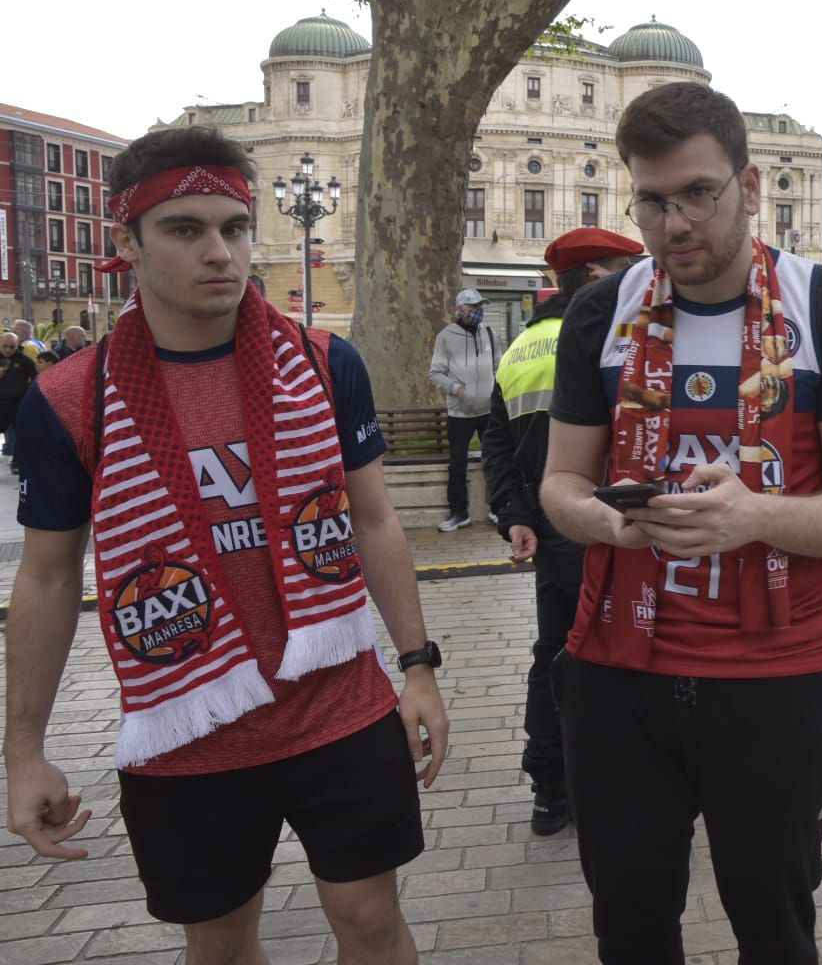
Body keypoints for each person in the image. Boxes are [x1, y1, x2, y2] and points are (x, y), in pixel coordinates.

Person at [3, 126, 448, 959]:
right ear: (127, 241)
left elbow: (373, 519)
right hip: (185, 730)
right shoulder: (68, 400)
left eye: (235, 228)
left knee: (371, 920)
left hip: (338, 707)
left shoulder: (323, 363)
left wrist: (417, 665)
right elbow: (49, 580)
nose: (220, 252)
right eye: (185, 229)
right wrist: (23, 754)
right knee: (220, 943)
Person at [539, 81, 822, 964]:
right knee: (629, 929)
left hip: (773, 681)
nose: (677, 225)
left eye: (701, 193)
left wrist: (754, 517)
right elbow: (557, 485)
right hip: (616, 677)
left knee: (774, 930)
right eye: (653, 202)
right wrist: (602, 523)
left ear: (752, 182)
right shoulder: (602, 312)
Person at [482, 227, 643, 836]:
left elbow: (495, 441)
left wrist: (515, 515)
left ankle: (550, 788)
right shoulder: (610, 335)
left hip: (552, 528)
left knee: (555, 652)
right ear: (601, 279)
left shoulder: (521, 346)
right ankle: (626, 781)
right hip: (618, 522)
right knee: (626, 655)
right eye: (628, 269)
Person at [429, 287, 498, 531]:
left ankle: (498, 508)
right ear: (460, 310)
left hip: (488, 410)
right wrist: (458, 389)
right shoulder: (446, 336)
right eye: (473, 307)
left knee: (495, 460)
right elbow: (435, 372)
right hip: (459, 414)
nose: (479, 312)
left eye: (481, 307)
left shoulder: (488, 333)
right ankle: (459, 513)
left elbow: (498, 367)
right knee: (457, 464)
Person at [0, 331, 39, 474]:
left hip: (17, 403)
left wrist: (26, 394)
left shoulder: (25, 361)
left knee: (20, 434)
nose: (8, 350)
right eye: (5, 346)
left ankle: (17, 462)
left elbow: (36, 379)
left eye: (12, 346)